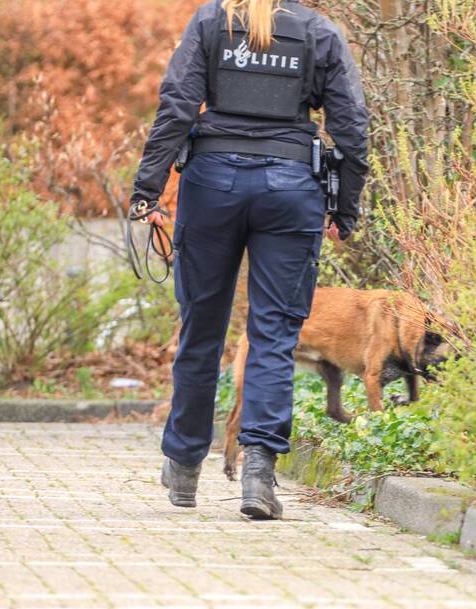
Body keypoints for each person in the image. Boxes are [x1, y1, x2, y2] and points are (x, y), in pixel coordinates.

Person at [130, 0, 369, 519]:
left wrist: (147, 192)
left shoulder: (212, 21)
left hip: (211, 184)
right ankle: (258, 473)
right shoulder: (317, 31)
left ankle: (184, 465)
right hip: (290, 189)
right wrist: (343, 209)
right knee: (273, 335)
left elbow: (176, 105)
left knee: (201, 327)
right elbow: (351, 126)